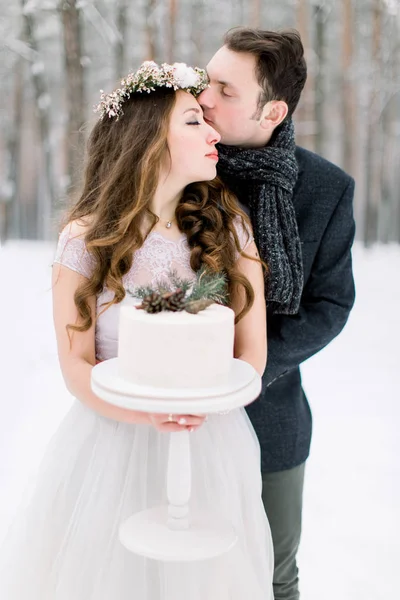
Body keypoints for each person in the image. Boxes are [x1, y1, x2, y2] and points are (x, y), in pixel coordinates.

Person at [0, 61, 274, 599]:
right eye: (195, 121)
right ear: (148, 138)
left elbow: (253, 351)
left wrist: (205, 408)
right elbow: (76, 366)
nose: (214, 132)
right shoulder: (84, 240)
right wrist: (146, 415)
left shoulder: (231, 228)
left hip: (210, 446)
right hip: (110, 446)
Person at [198, 28, 356, 600]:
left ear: (273, 110)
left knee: (273, 575)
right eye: (204, 80)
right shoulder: (178, 166)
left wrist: (247, 368)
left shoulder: (326, 189)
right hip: (170, 417)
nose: (204, 98)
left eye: (225, 90)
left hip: (272, 417)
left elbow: (331, 305)